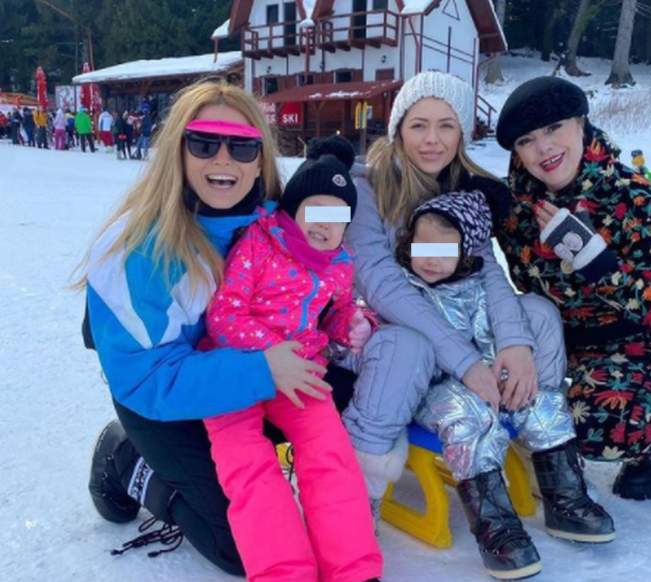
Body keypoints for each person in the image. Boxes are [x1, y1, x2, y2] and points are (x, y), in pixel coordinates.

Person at [341, 71, 607, 578]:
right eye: (419, 125)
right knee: (406, 345)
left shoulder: (465, 189)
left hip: (462, 326)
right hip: (397, 344)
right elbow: (381, 285)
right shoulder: (367, 187)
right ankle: (360, 495)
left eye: (446, 125)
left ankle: (549, 455)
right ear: (398, 129)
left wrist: (515, 345)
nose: (432, 139)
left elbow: (488, 273)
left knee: (537, 312)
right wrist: (465, 362)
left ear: (462, 132)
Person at [80, 78, 335, 575]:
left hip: (242, 376)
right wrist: (262, 371)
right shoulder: (137, 250)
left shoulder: (277, 228)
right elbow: (145, 377)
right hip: (158, 397)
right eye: (204, 143)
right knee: (246, 546)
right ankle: (127, 460)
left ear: (260, 159)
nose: (224, 159)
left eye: (242, 147)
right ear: (178, 151)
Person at [395, 190, 614, 579]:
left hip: (483, 378)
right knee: (472, 417)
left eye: (444, 252)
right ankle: (495, 528)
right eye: (422, 248)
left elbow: (492, 335)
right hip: (432, 390)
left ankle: (565, 498)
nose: (430, 260)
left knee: (540, 401)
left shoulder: (477, 286)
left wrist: (504, 374)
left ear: (464, 254)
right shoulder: (403, 289)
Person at [200, 134, 383, 581]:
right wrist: (273, 354)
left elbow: (337, 311)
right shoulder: (260, 243)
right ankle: (283, 571)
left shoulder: (339, 262)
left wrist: (352, 323)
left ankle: (353, 568)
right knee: (249, 464)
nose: (325, 226)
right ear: (293, 209)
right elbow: (223, 314)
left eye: (337, 218)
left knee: (330, 452)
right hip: (232, 367)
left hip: (299, 373)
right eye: (316, 211)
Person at [495, 76, 651, 500]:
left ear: (581, 124)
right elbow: (449, 236)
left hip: (634, 339)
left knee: (597, 429)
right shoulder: (515, 207)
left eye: (553, 128)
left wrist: (595, 261)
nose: (544, 148)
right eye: (527, 140)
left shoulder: (632, 196)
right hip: (554, 339)